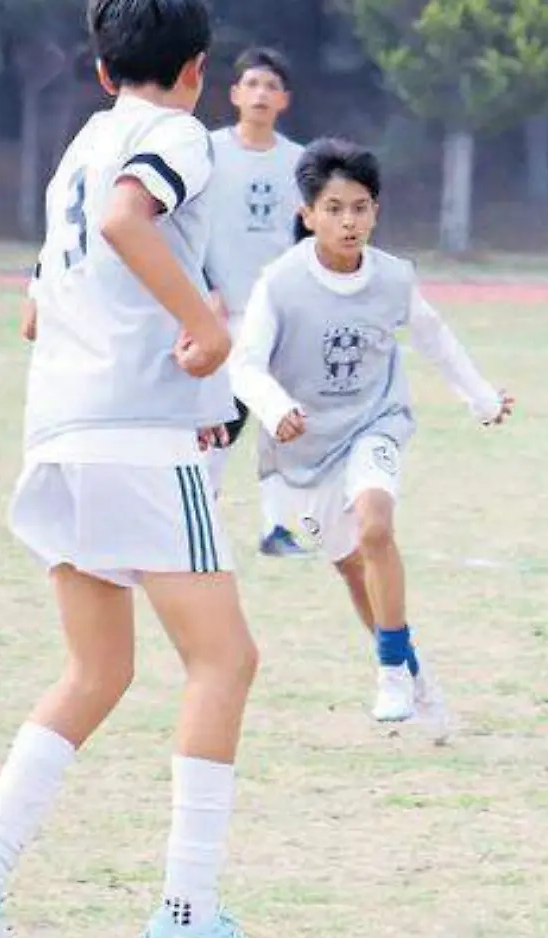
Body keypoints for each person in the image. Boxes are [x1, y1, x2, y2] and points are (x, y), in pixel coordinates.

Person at [0, 0, 294, 938]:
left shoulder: (79, 147)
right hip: (138, 439)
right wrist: (201, 329)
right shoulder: (174, 135)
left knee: (98, 673)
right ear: (199, 71)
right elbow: (130, 217)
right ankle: (189, 912)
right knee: (225, 661)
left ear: (98, 71)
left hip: (57, 435)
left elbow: (33, 311)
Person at [228, 138, 512, 739]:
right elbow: (245, 365)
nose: (348, 221)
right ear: (307, 215)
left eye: (359, 207)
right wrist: (276, 409)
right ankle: (416, 676)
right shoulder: (278, 284)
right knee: (354, 571)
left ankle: (388, 670)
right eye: (333, 208)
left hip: (374, 424)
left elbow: (435, 338)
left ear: (376, 211)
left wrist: (482, 398)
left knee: (376, 525)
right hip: (301, 450)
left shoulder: (393, 277)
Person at [200, 45, 312, 555]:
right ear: (234, 94)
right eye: (252, 85)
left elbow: (306, 237)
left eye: (271, 86)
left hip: (275, 311)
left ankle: (275, 527)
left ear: (285, 99)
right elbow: (185, 225)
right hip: (220, 310)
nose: (261, 94)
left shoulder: (299, 162)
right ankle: (200, 511)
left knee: (278, 416)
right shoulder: (208, 151)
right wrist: (203, 289)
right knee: (219, 415)